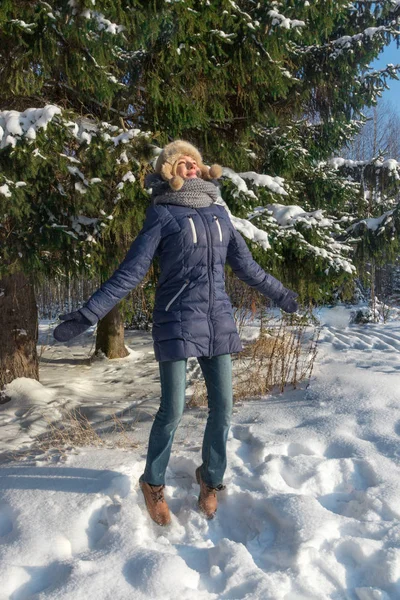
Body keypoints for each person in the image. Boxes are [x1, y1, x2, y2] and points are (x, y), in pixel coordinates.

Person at [53, 140, 298, 526]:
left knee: (224, 406)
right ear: (169, 170)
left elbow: (248, 268)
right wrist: (88, 314)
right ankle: (152, 482)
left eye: (195, 162)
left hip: (217, 320)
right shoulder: (162, 214)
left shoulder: (219, 214)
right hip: (175, 320)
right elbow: (130, 272)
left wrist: (282, 294)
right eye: (183, 163)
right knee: (173, 409)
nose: (192, 167)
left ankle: (211, 479)